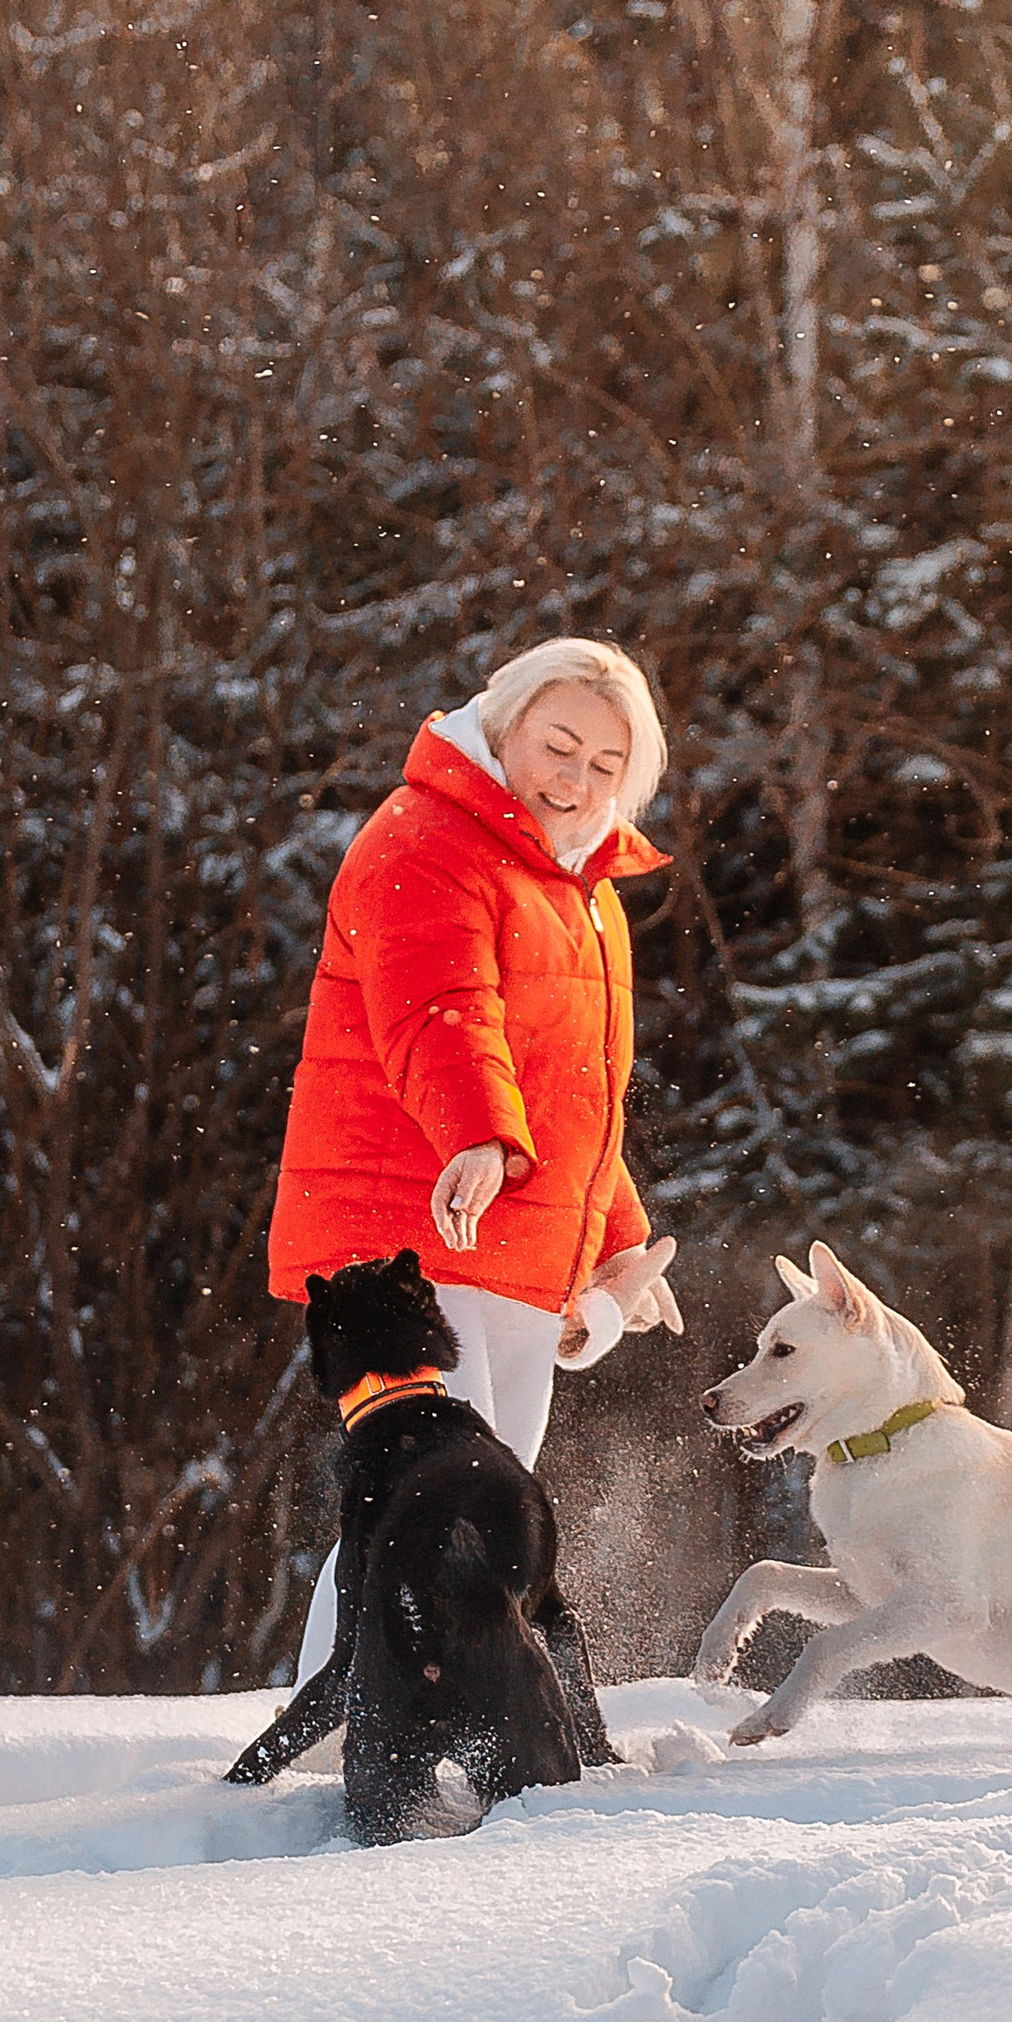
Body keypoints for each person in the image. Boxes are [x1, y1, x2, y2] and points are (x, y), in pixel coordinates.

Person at [267, 637, 682, 1684]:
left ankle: (430, 1714)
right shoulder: (426, 839)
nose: (575, 780)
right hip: (412, 1230)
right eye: (558, 745)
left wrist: (613, 1247)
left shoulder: (583, 895)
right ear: (500, 725)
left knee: (472, 1502)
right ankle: (344, 1735)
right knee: (419, 1499)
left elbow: (567, 1094)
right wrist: (479, 1137)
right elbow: (438, 1014)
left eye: (605, 767)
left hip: (502, 1234)